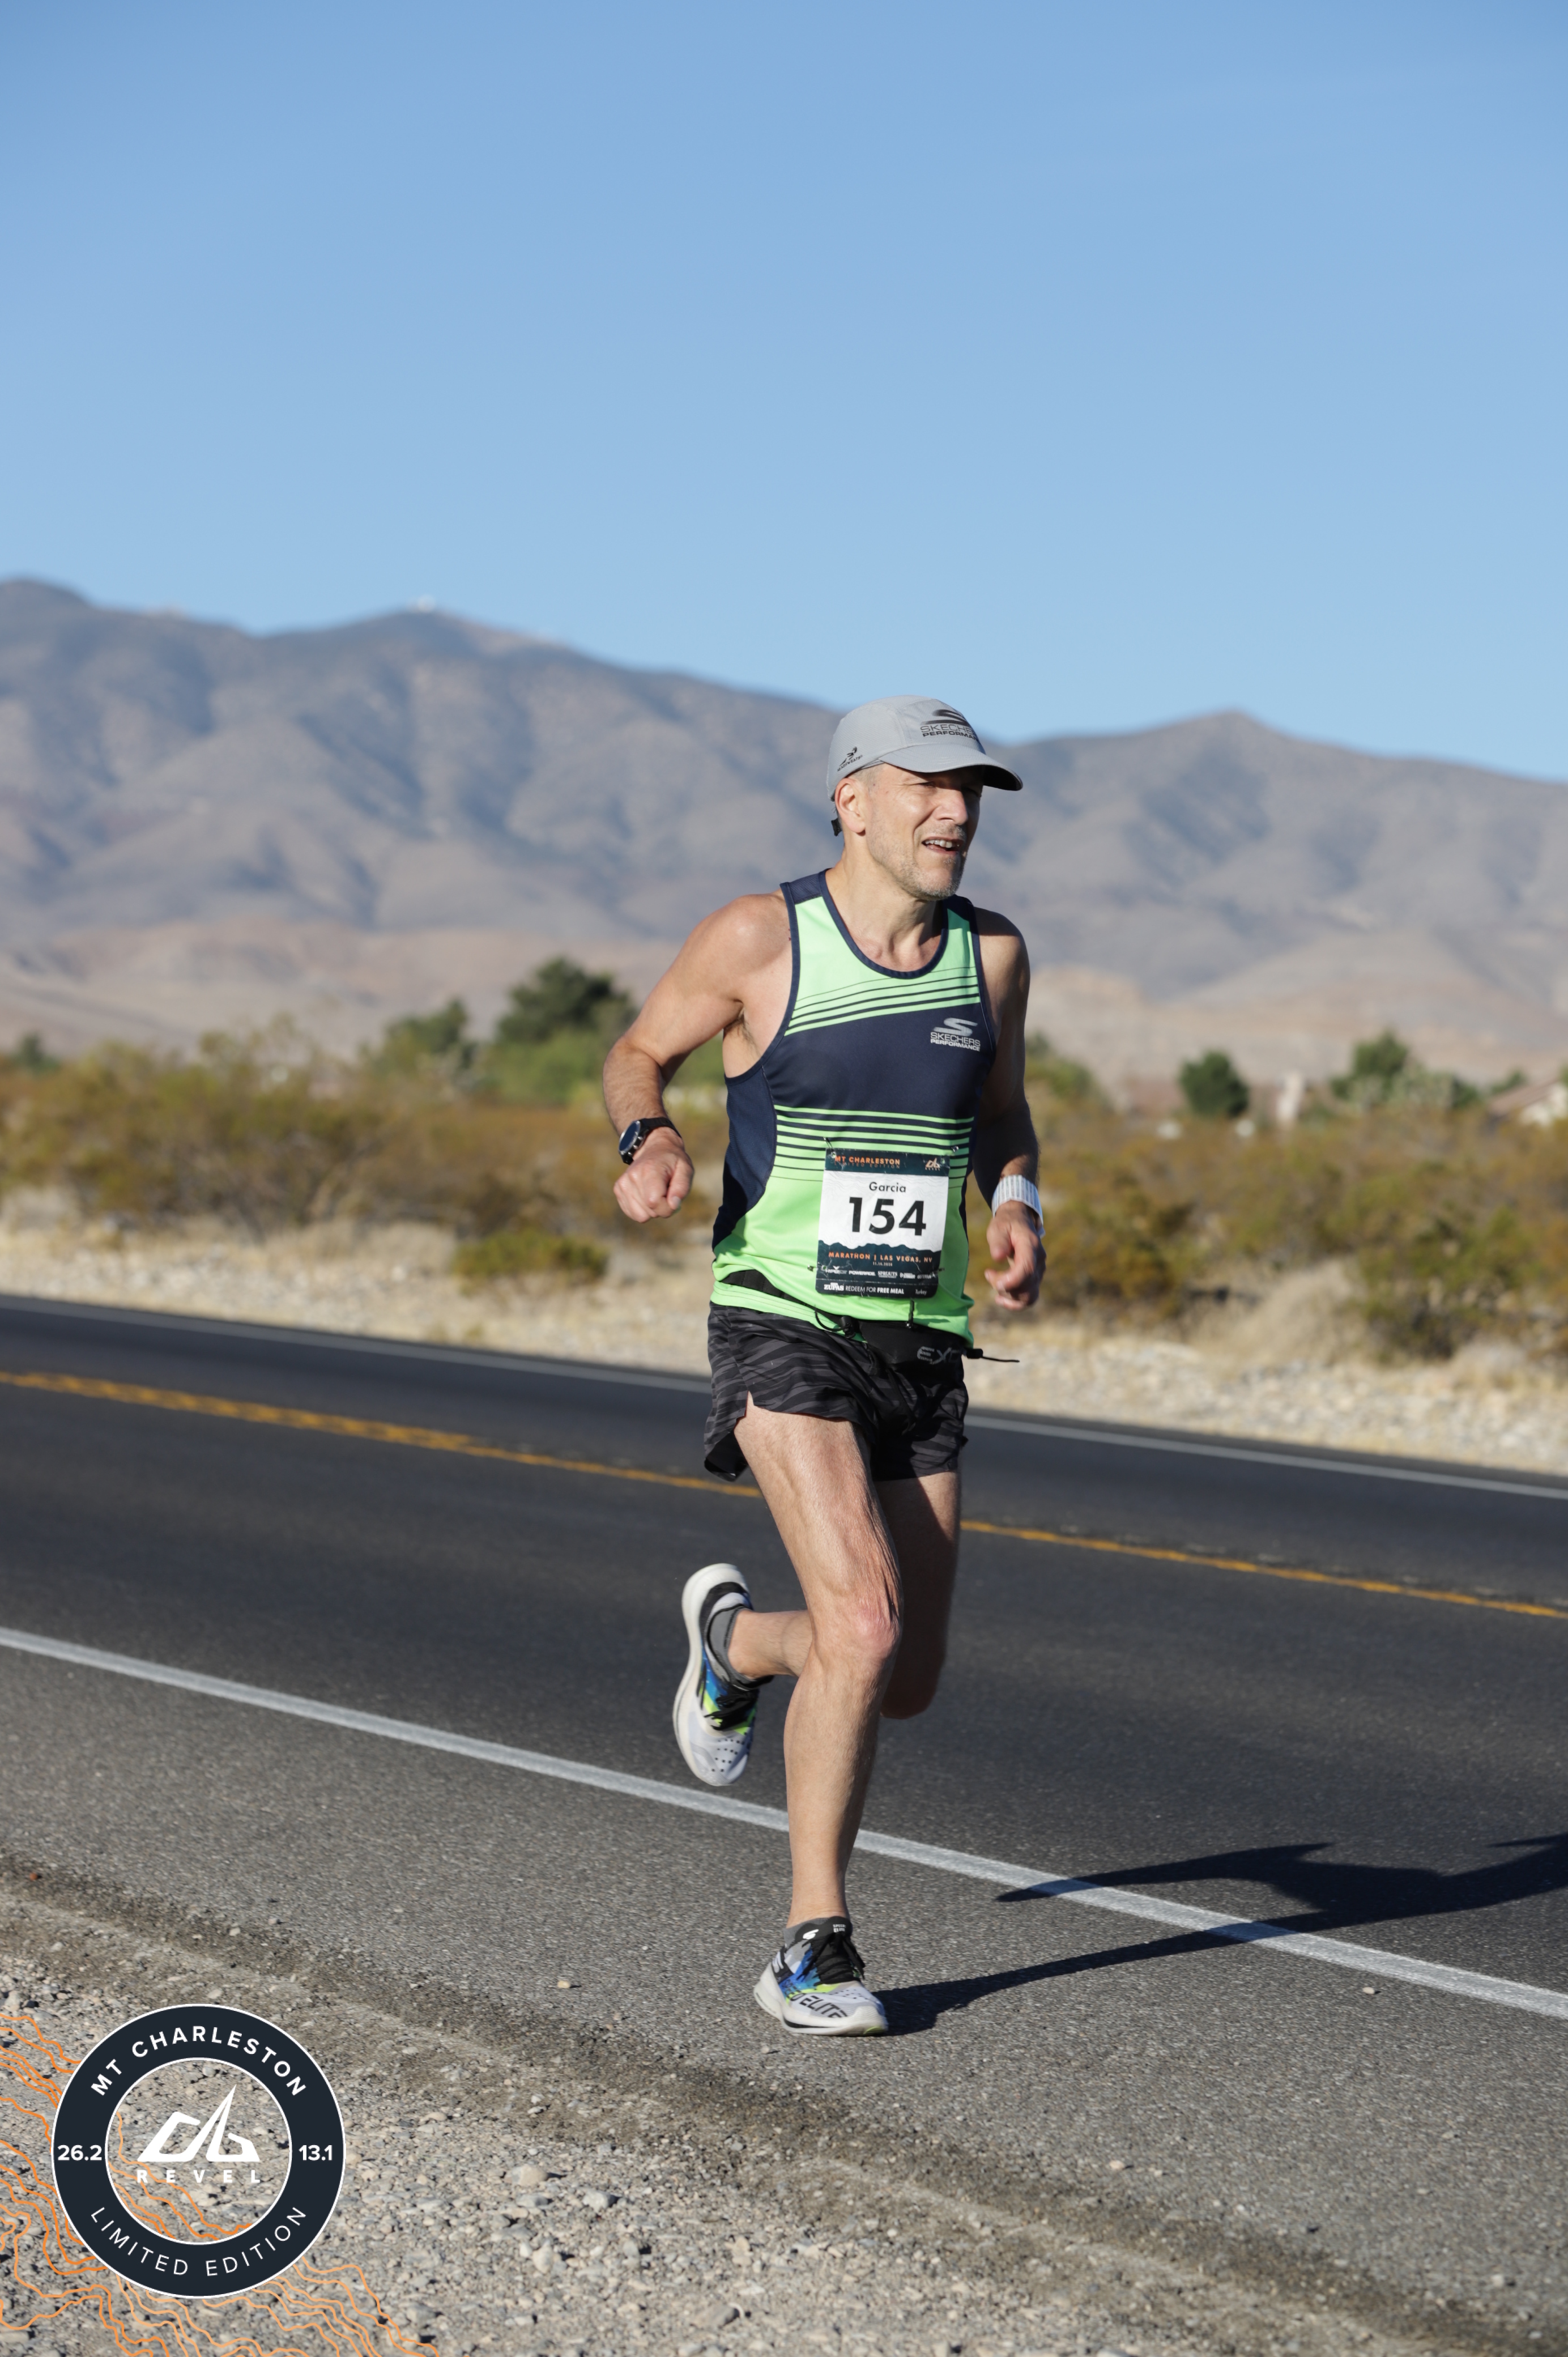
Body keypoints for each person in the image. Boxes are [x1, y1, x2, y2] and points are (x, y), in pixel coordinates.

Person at [603, 696, 1043, 2036]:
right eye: (926, 786)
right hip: (779, 1319)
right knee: (861, 1624)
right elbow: (637, 1053)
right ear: (852, 799)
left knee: (900, 1674)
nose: (954, 812)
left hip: (922, 1340)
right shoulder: (760, 938)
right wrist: (647, 1138)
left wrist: (1016, 1203)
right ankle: (812, 1946)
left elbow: (1002, 1112)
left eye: (970, 792)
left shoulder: (992, 957)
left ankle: (734, 1643)